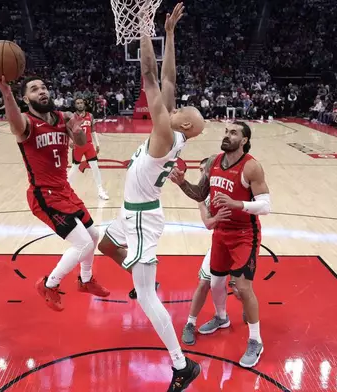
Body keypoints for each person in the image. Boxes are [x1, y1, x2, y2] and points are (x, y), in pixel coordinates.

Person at [96, 4, 206, 390]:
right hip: (132, 212)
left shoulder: (164, 134)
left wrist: (145, 26)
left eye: (184, 109)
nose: (177, 103)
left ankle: (181, 366)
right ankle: (135, 270)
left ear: (186, 124)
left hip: (142, 217)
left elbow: (149, 75)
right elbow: (169, 78)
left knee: (144, 297)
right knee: (103, 241)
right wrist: (170, 33)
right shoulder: (172, 130)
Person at [0, 68, 110, 312]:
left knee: (94, 236)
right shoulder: (26, 124)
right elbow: (13, 121)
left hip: (64, 189)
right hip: (44, 195)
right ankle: (49, 284)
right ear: (26, 99)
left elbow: (82, 144)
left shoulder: (62, 117)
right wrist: (6, 93)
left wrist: (77, 133)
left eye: (43, 87)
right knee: (83, 243)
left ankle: (85, 281)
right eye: (34, 89)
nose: (41, 91)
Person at [170, 121, 271, 368]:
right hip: (221, 233)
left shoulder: (251, 167)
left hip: (245, 234)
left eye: (233, 133)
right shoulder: (214, 162)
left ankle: (256, 340)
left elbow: (266, 206)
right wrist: (182, 183)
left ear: (244, 140)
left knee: (243, 288)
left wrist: (238, 204)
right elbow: (199, 194)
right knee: (215, 282)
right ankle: (221, 318)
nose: (227, 135)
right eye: (226, 132)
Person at [176, 157, 240, 346]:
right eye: (201, 171)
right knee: (204, 282)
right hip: (219, 242)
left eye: (205, 170)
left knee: (239, 289)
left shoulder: (231, 188)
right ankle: (191, 323)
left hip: (239, 242)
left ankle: (246, 314)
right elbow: (208, 224)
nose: (203, 174)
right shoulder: (203, 197)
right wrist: (217, 217)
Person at [67, 98, 109, 200]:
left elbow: (93, 130)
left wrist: (97, 144)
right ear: (75, 105)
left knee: (95, 167)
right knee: (74, 168)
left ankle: (100, 190)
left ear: (84, 104)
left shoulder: (90, 116)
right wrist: (70, 141)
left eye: (81, 103)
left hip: (89, 145)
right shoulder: (72, 117)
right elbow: (67, 130)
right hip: (78, 145)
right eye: (77, 103)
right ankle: (66, 189)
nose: (80, 105)